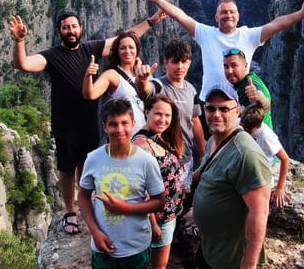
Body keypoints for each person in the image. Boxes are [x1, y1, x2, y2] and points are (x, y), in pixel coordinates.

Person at [9, 9, 164, 235]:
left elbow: (125, 39)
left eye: (74, 26)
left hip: (90, 121)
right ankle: (70, 212)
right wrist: (20, 41)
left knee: (87, 165)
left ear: (81, 28)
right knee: (66, 168)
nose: (71, 31)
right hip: (64, 123)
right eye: (66, 27)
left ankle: (86, 206)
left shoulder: (90, 48)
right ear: (59, 31)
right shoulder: (51, 56)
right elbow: (22, 63)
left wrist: (150, 21)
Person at [136, 0, 304, 100]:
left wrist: (301, 14)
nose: (228, 15)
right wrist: (158, 0)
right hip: (208, 102)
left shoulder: (249, 36)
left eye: (232, 12)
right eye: (223, 12)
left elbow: (277, 24)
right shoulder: (205, 33)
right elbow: (180, 16)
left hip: (239, 104)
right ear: (216, 17)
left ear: (238, 16)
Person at [79, 98, 166, 269]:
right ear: (105, 126)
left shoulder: (146, 162)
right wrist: (95, 232)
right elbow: (83, 196)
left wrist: (125, 208)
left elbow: (159, 201)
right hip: (104, 247)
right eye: (113, 124)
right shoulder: (94, 159)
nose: (120, 130)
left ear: (134, 123)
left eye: (125, 123)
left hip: (136, 245)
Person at [192, 84, 271, 269]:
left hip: (232, 259)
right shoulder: (214, 141)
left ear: (237, 111)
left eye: (224, 109)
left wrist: (248, 267)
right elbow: (204, 171)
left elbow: (260, 210)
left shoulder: (246, 154)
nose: (216, 114)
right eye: (211, 108)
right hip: (213, 249)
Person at [132, 94, 184, 269]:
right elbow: (140, 189)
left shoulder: (159, 137)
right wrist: (153, 224)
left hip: (167, 213)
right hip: (157, 217)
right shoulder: (142, 144)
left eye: (167, 115)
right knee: (156, 267)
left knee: (156, 267)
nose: (163, 119)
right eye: (158, 114)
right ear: (147, 113)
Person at [135, 38, 206, 190]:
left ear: (189, 63)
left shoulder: (191, 90)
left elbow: (195, 121)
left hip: (185, 158)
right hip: (161, 159)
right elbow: (146, 89)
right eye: (175, 62)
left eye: (184, 61)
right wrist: (141, 81)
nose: (179, 66)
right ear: (166, 62)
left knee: (180, 201)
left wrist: (203, 154)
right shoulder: (159, 86)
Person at [83, 31, 148, 134]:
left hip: (145, 138)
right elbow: (90, 94)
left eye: (131, 47)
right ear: (117, 51)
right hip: (122, 136)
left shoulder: (144, 72)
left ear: (137, 50)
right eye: (122, 48)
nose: (127, 51)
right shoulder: (112, 75)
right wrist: (88, 75)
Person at [239, 101, 290, 208]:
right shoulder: (241, 123)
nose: (242, 129)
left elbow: (285, 159)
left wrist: (280, 188)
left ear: (255, 128)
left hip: (262, 175)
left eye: (245, 130)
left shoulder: (267, 137)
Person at [222, 48, 273, 129]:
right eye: (226, 67)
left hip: (259, 138)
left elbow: (265, 105)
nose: (229, 71)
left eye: (234, 66)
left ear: (245, 66)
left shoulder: (250, 83)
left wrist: (257, 97)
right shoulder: (240, 85)